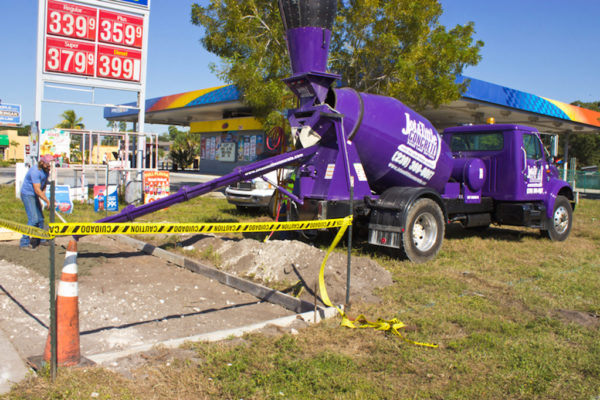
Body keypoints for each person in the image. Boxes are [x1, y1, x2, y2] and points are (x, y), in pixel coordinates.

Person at [19, 155, 52, 250]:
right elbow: (37, 189)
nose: (49, 167)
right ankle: (24, 243)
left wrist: (43, 198)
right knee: (33, 219)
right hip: (28, 194)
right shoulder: (35, 171)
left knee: (41, 218)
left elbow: (44, 185)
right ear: (42, 163)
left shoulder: (46, 171)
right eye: (48, 165)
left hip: (35, 195)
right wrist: (46, 200)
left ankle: (40, 239)